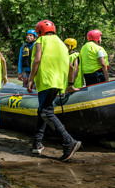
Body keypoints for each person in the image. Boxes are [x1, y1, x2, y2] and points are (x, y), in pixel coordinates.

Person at [27, 20, 81, 160]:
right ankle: (36, 143)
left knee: (46, 111)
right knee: (43, 110)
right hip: (58, 83)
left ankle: (69, 142)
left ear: (39, 32)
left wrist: (31, 79)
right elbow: (70, 67)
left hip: (45, 81)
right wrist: (70, 84)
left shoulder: (41, 41)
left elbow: (37, 60)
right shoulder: (62, 44)